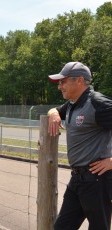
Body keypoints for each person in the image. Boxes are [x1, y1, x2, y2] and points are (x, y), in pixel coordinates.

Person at [47, 62, 112, 230]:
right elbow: (54, 109)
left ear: (80, 81)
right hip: (77, 179)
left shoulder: (98, 103)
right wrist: (53, 113)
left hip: (97, 180)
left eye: (63, 82)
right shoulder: (72, 104)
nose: (59, 86)